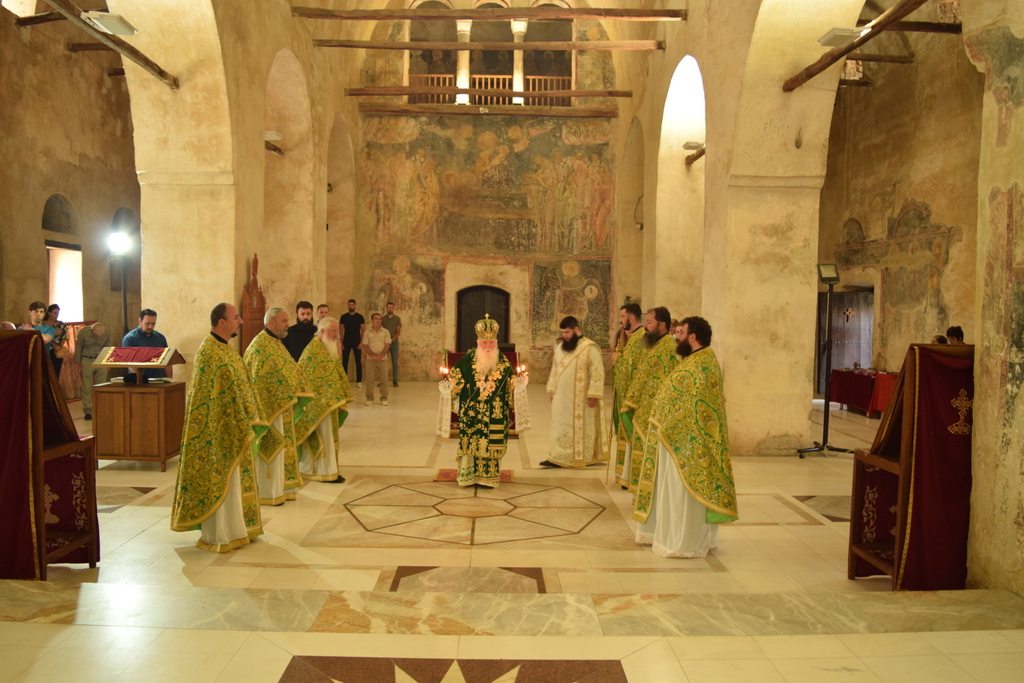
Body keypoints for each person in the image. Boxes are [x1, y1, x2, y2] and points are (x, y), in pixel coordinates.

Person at [633, 316, 738, 557]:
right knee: (673, 494)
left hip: (687, 443)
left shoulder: (702, 365)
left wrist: (669, 425)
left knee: (681, 496)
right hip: (675, 438)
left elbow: (696, 406)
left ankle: (683, 541)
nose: (676, 337)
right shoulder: (695, 360)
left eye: (681, 334)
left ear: (692, 336)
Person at [170, 303, 266, 552]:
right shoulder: (209, 352)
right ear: (221, 322)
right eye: (236, 317)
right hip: (217, 431)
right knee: (222, 480)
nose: (240, 321)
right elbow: (208, 397)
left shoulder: (226, 349)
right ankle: (220, 533)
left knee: (235, 481)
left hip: (234, 427)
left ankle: (237, 529)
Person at [243, 307, 306, 505]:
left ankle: (281, 488)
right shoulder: (260, 345)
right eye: (284, 321)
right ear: (271, 322)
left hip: (281, 407)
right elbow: (257, 379)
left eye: (287, 320)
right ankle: (269, 492)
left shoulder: (276, 343)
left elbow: (288, 369)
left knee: (282, 448)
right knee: (271, 450)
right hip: (268, 410)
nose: (288, 324)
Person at [444, 315, 516, 487]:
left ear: (496, 343)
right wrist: (449, 385)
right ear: (478, 342)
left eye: (491, 343)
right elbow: (454, 381)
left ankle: (489, 479)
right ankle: (468, 477)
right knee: (471, 445)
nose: (488, 347)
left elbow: (512, 387)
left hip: (494, 415)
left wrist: (518, 386)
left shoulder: (504, 364)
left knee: (491, 445)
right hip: (472, 416)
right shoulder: (466, 361)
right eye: (484, 343)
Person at [620, 306, 678, 493]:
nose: (645, 326)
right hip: (643, 410)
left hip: (655, 415)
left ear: (662, 324)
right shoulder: (654, 345)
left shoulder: (668, 348)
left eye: (649, 322)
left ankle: (650, 494)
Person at [542, 316, 607, 468]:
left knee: (579, 427)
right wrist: (551, 389)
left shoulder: (589, 347)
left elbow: (597, 371)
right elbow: (555, 369)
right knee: (559, 426)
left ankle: (582, 456)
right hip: (561, 398)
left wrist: (594, 394)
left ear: (576, 329)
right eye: (563, 332)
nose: (565, 336)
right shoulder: (560, 348)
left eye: (568, 332)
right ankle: (557, 455)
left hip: (580, 399)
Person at [297, 317, 353, 483]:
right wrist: (324, 399)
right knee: (322, 438)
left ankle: (331, 469)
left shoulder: (327, 347)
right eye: (333, 331)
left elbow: (335, 373)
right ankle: (320, 471)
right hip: (317, 406)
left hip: (329, 404)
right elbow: (306, 378)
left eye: (337, 331)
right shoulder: (312, 351)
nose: (337, 335)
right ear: (322, 331)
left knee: (330, 437)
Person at [612, 303, 644, 487]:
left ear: (632, 318)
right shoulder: (635, 338)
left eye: (622, 316)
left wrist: (617, 360)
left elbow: (631, 369)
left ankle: (629, 475)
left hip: (633, 398)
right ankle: (624, 474)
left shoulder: (639, 338)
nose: (620, 320)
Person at [122, 308, 171, 379]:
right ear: (140, 321)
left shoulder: (160, 338)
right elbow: (130, 363)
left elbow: (167, 361)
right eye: (147, 323)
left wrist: (169, 380)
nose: (150, 327)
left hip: (159, 379)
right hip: (140, 381)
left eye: (153, 324)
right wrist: (142, 379)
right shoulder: (130, 338)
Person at [75, 321, 109, 420]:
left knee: (101, 386)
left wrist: (108, 363)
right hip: (87, 359)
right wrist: (78, 363)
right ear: (92, 331)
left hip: (101, 360)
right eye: (95, 335)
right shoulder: (83, 332)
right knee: (87, 386)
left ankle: (100, 408)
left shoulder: (107, 333)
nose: (97, 337)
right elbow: (78, 347)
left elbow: (108, 348)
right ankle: (87, 411)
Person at [361, 313, 391, 406]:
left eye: (380, 319)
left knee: (384, 379)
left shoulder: (386, 332)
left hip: (383, 359)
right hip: (370, 359)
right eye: (376, 319)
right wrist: (373, 356)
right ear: (372, 320)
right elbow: (365, 345)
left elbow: (387, 345)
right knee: (369, 379)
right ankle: (369, 398)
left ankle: (384, 398)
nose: (378, 321)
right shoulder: (367, 332)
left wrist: (381, 355)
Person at [340, 299, 366, 387]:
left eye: (352, 305)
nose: (351, 306)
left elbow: (364, 330)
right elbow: (340, 330)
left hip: (357, 342)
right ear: (348, 306)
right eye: (349, 305)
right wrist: (341, 343)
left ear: (355, 306)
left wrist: (361, 342)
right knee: (345, 361)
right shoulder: (343, 317)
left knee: (358, 362)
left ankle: (359, 381)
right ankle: (344, 381)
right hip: (346, 342)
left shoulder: (360, 317)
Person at [42, 304, 68, 376]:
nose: (56, 315)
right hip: (44, 350)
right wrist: (54, 333)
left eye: (58, 313)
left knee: (55, 372)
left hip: (56, 350)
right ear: (49, 313)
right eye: (55, 313)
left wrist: (60, 345)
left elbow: (64, 337)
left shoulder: (61, 325)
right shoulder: (42, 324)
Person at [381, 301, 402, 387]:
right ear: (386, 308)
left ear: (393, 308)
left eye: (391, 307)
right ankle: (383, 380)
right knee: (383, 362)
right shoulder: (382, 319)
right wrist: (386, 341)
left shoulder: (397, 319)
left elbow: (398, 332)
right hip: (384, 344)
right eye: (388, 307)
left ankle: (395, 380)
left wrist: (391, 340)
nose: (390, 309)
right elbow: (381, 331)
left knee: (395, 362)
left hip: (394, 343)